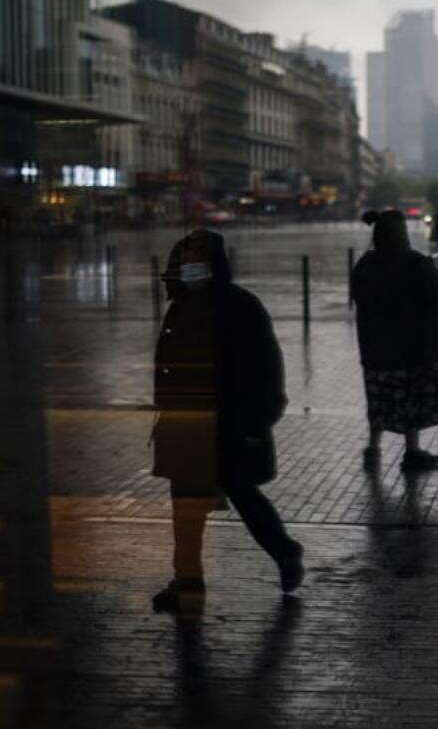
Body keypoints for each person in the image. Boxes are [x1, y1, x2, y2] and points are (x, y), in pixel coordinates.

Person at [152, 229, 304, 612]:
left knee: (243, 494)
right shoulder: (183, 306)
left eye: (193, 261)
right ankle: (187, 580)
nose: (185, 268)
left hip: (229, 424)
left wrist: (257, 422)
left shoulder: (239, 307)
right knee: (186, 509)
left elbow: (267, 369)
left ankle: (284, 551)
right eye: (183, 261)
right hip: (186, 425)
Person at [352, 210, 438, 471]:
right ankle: (412, 451)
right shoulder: (415, 264)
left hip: (376, 352)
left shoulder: (365, 265)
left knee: (378, 401)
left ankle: (373, 449)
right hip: (412, 350)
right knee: (412, 399)